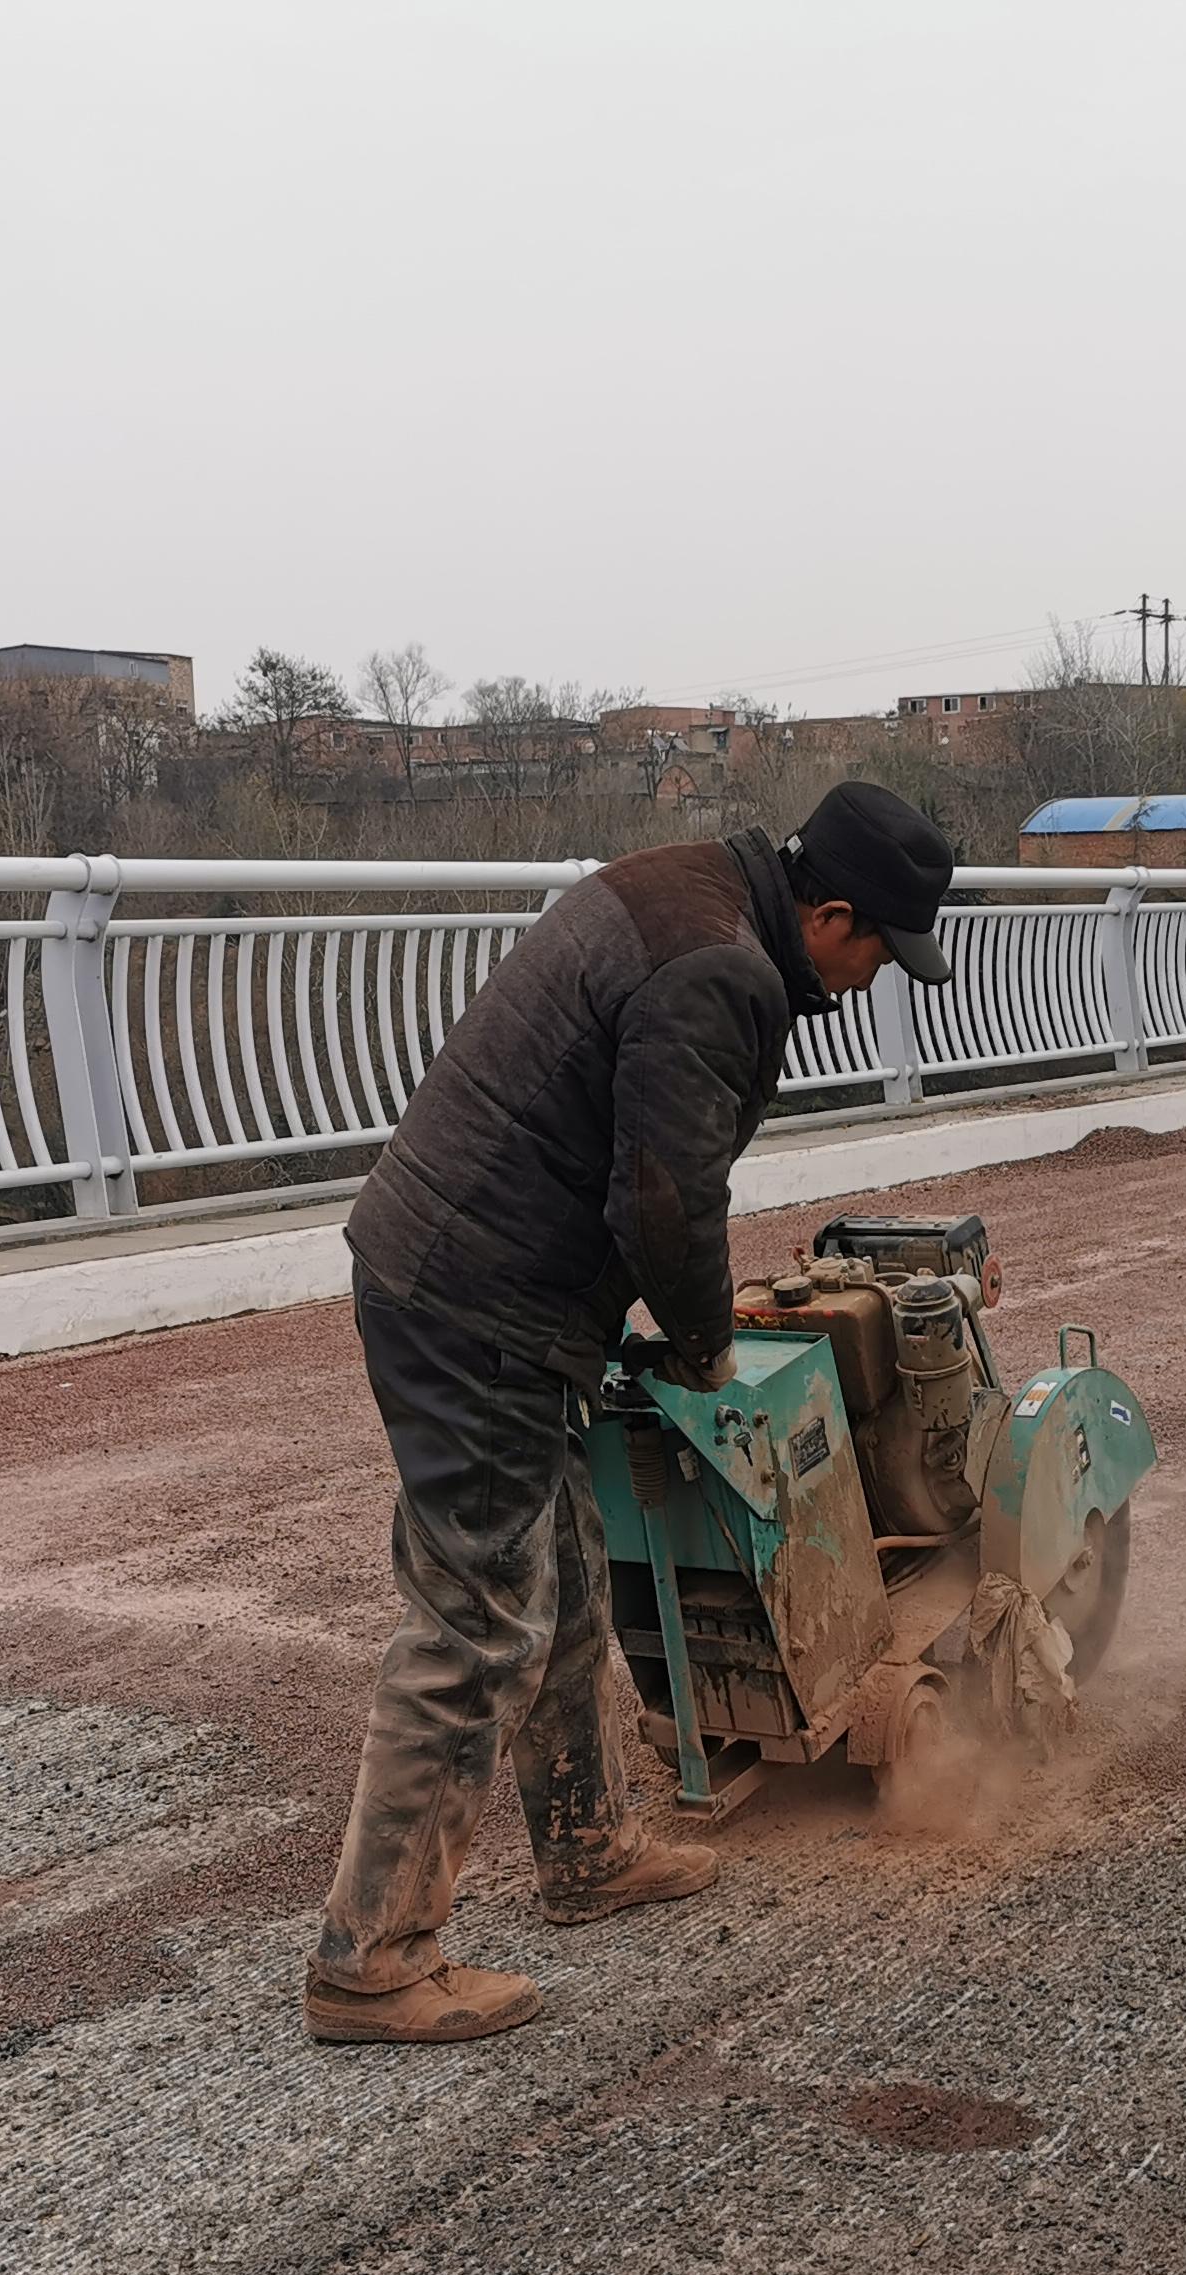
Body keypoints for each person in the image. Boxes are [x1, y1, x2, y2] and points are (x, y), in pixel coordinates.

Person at [305, 782, 959, 2045]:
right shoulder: (721, 970)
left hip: (484, 1288)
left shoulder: (685, 886)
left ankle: (588, 1845)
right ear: (828, 914)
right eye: (878, 947)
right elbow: (665, 1200)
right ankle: (371, 1962)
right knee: (476, 1627)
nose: (876, 975)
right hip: (476, 1305)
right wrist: (711, 1350)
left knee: (564, 1576)